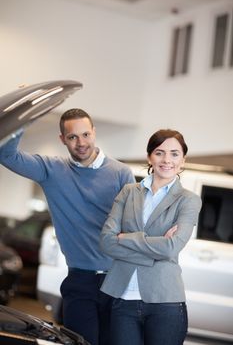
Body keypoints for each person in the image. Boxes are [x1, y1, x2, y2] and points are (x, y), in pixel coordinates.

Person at [0, 108, 135, 345]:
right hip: (79, 281)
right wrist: (24, 119)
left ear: (94, 132)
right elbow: (7, 155)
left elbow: (133, 224)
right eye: (73, 137)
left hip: (118, 280)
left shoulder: (121, 173)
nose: (81, 142)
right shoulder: (51, 170)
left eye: (85, 135)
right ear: (62, 139)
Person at [99, 129, 202, 345]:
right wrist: (155, 249)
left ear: (183, 160)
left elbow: (170, 248)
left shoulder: (188, 200)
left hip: (166, 302)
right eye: (159, 152)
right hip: (122, 298)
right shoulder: (128, 192)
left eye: (174, 154)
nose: (166, 160)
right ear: (149, 157)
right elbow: (107, 242)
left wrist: (126, 237)